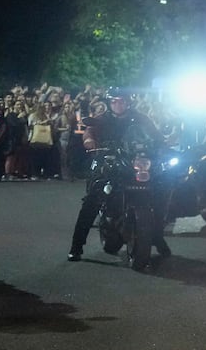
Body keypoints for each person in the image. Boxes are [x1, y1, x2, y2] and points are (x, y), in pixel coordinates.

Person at [67, 88, 167, 262]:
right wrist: (89, 140)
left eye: (121, 101)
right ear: (109, 103)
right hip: (108, 159)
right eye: (114, 101)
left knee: (160, 190)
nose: (118, 104)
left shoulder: (140, 118)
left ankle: (157, 236)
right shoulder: (103, 118)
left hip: (133, 161)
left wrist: (163, 145)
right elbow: (89, 130)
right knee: (93, 198)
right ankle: (77, 246)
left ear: (128, 102)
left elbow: (156, 136)